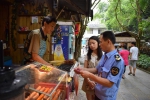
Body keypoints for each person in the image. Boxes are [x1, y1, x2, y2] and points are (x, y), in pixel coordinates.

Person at [74, 31, 124, 100]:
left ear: (108, 42)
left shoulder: (117, 60)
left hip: (106, 97)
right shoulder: (105, 56)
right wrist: (81, 69)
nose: (100, 44)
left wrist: (89, 75)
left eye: (101, 42)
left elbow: (109, 83)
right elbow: (97, 69)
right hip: (97, 92)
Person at [82, 36, 102, 100]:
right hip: (88, 80)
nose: (91, 45)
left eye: (93, 43)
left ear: (98, 43)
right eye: (90, 44)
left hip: (99, 81)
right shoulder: (88, 56)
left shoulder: (103, 56)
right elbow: (84, 69)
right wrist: (88, 81)